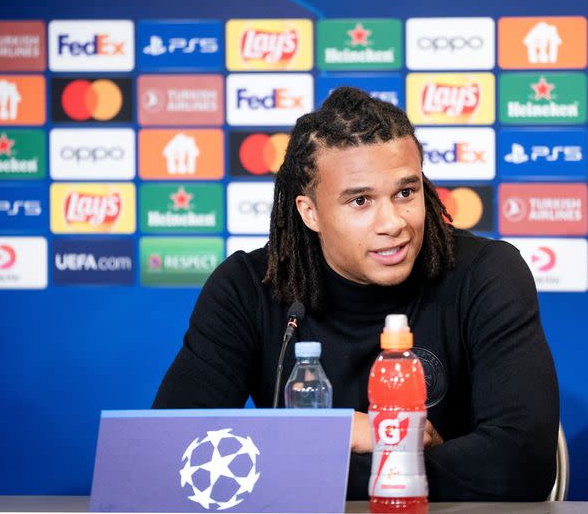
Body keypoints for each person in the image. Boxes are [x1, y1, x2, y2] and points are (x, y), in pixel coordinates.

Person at [153, 86, 559, 501]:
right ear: (309, 212)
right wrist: (357, 438)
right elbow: (168, 451)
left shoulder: (485, 273)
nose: (393, 222)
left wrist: (340, 453)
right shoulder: (248, 287)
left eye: (406, 192)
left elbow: (522, 462)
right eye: (361, 201)